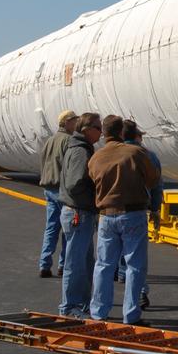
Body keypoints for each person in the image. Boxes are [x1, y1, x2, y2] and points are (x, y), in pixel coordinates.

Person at [88, 115, 157, 326]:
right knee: (134, 265)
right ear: (120, 132)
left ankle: (98, 313)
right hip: (132, 214)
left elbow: (92, 180)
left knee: (104, 266)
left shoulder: (96, 157)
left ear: (104, 132)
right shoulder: (136, 153)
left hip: (106, 216)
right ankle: (131, 314)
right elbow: (152, 178)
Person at [58, 111, 102, 319]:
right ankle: (70, 307)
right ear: (87, 130)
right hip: (79, 212)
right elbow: (75, 184)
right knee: (76, 263)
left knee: (84, 262)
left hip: (78, 211)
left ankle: (81, 304)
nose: (101, 132)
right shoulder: (81, 152)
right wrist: (93, 200)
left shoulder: (80, 148)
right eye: (98, 128)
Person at [121, 119, 161, 310]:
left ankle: (99, 310)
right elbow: (156, 184)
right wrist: (155, 208)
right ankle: (139, 294)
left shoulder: (107, 153)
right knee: (136, 258)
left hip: (110, 210)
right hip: (136, 210)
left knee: (105, 262)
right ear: (137, 136)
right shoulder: (148, 156)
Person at [38, 110, 78, 278]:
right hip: (63, 191)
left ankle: (44, 264)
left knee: (51, 228)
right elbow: (70, 167)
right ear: (67, 122)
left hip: (49, 189)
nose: (76, 124)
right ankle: (63, 265)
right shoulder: (68, 141)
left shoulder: (50, 141)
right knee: (67, 230)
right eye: (74, 120)